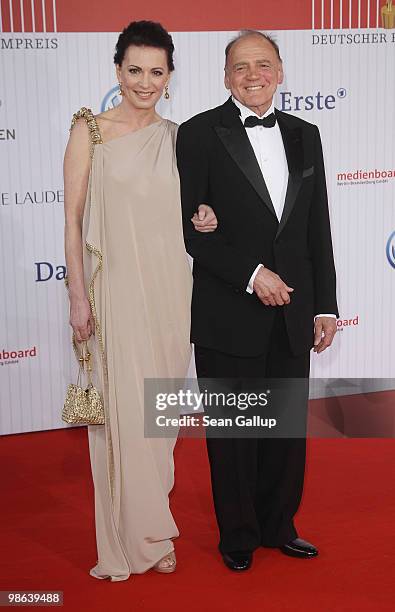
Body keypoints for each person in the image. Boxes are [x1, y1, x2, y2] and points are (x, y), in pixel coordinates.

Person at [176, 30, 338, 571]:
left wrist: (325, 306)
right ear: (225, 76)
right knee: (234, 435)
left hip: (295, 309)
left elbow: (317, 227)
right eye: (240, 66)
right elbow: (192, 232)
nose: (252, 75)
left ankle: (279, 526)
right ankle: (238, 537)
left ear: (280, 71)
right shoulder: (198, 134)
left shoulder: (305, 133)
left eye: (263, 64)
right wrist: (251, 274)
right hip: (228, 309)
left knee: (285, 431)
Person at [63, 20, 217, 580]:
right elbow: (73, 220)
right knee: (124, 415)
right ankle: (138, 541)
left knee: (160, 416)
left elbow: (195, 216)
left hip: (173, 292)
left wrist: (206, 217)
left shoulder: (181, 138)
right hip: (115, 293)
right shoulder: (91, 130)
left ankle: (153, 523)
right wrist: (78, 297)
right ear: (117, 71)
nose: (145, 82)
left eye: (156, 72)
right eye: (135, 70)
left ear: (171, 77)